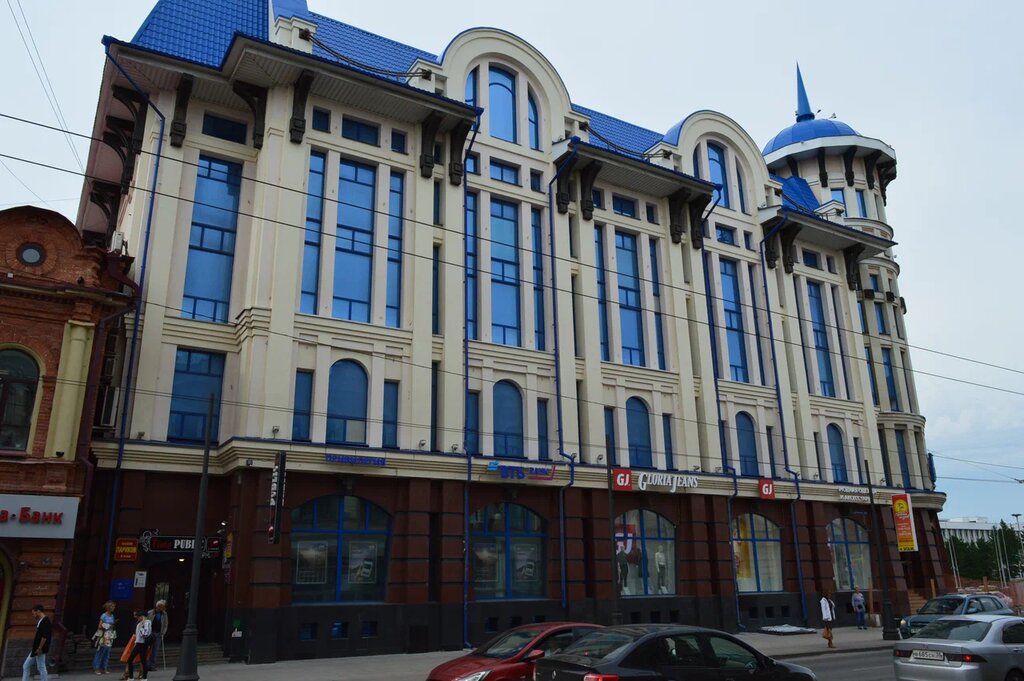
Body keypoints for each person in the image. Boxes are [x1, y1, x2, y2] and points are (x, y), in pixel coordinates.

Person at [22, 604, 51, 681]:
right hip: (36, 648)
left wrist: (39, 648)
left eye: (33, 613)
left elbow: (44, 636)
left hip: (39, 649)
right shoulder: (42, 621)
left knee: (41, 667)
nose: (33, 615)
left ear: (38, 611)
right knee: (26, 665)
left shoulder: (45, 621)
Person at [92, 601, 117, 674]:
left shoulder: (112, 616)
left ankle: (104, 668)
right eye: (112, 606)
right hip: (103, 635)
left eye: (114, 606)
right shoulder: (103, 615)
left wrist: (112, 626)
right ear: (108, 607)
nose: (113, 608)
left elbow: (113, 625)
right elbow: (100, 626)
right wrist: (107, 626)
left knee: (107, 652)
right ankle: (96, 668)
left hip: (110, 635)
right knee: (100, 651)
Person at [125, 611, 151, 680]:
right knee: (131, 660)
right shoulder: (139, 623)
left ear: (142, 616)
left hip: (143, 644)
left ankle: (144, 678)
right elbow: (138, 636)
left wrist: (142, 627)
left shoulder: (147, 623)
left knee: (143, 661)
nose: (138, 617)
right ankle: (131, 677)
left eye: (139, 616)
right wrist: (136, 643)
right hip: (138, 644)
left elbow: (145, 634)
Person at [146, 600, 168, 670]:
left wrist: (163, 633)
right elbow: (146, 622)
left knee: (155, 650)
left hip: (158, 634)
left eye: (164, 607)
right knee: (148, 649)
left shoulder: (164, 614)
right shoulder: (150, 612)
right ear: (158, 606)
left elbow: (165, 624)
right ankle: (146, 665)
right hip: (150, 633)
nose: (163, 608)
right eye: (162, 606)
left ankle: (152, 665)